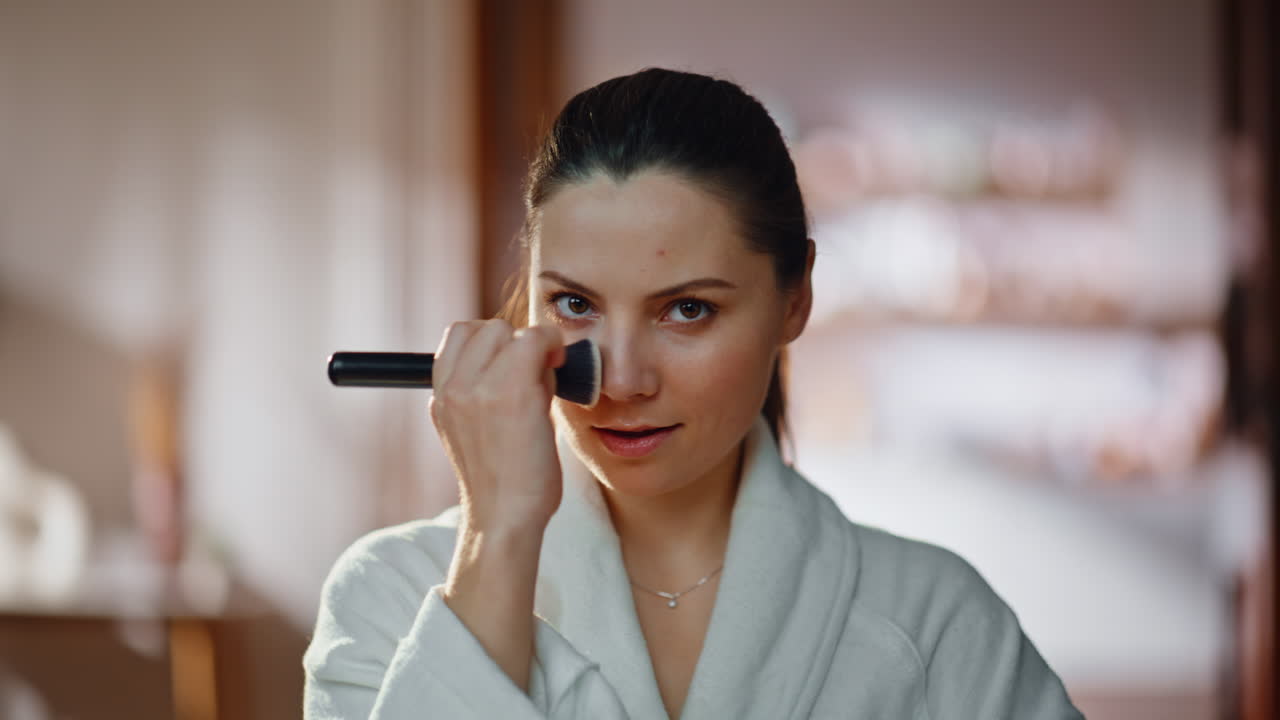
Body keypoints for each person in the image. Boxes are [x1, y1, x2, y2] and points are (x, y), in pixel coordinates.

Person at [302, 68, 1085, 720]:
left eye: (688, 310)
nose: (624, 381)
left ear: (795, 298)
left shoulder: (936, 622)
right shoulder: (388, 596)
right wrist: (499, 535)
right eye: (574, 305)